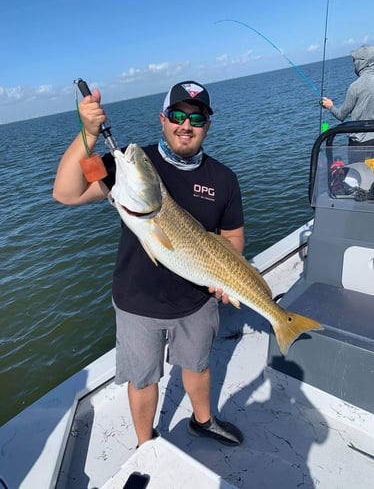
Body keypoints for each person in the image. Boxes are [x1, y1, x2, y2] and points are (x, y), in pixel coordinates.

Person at [53, 80, 245, 447]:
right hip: (137, 303)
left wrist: (226, 274)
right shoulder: (130, 164)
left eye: (196, 118)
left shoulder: (224, 179)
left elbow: (233, 239)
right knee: (143, 379)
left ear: (208, 125)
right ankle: (146, 445)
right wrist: (88, 135)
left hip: (197, 300)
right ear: (162, 119)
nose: (185, 125)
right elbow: (66, 192)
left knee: (199, 365)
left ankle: (203, 421)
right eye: (176, 115)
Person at [321, 44, 374, 162]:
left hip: (361, 144)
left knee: (360, 178)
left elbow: (341, 115)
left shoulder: (355, 86)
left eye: (354, 61)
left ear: (361, 63)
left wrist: (330, 106)